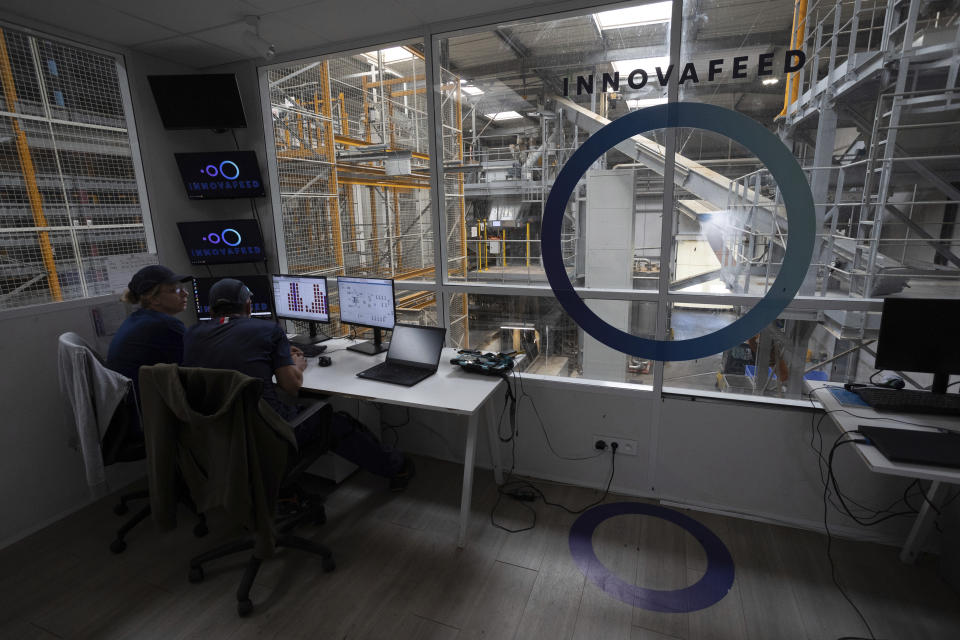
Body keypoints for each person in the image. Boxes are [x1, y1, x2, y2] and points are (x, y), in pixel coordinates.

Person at [182, 278, 413, 490]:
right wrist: (295, 364)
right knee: (336, 422)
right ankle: (397, 467)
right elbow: (291, 387)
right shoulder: (267, 331)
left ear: (211, 310)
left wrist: (276, 358)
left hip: (217, 434)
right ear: (248, 306)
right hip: (269, 432)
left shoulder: (191, 335)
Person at [107, 264, 193, 401]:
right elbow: (197, 367)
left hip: (131, 406)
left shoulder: (138, 319)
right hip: (149, 411)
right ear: (153, 298)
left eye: (183, 288)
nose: (185, 293)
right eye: (175, 290)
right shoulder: (165, 326)